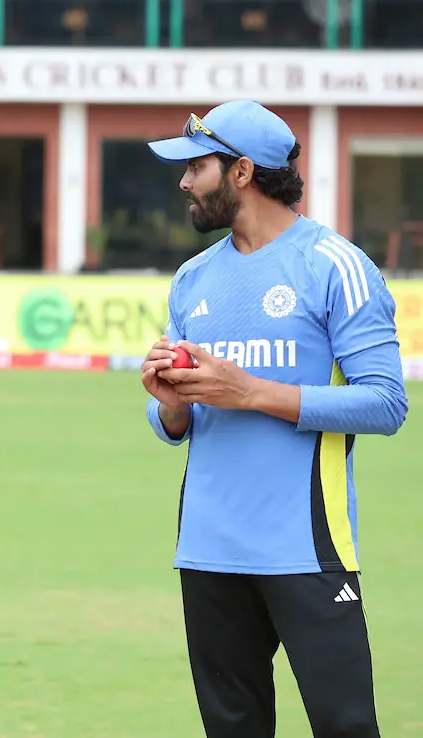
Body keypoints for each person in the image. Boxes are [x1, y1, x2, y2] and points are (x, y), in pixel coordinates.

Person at [141, 100, 408, 738]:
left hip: (307, 549)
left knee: (346, 727)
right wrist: (170, 405)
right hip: (207, 550)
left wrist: (253, 391)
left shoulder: (335, 265)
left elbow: (386, 402)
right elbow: (174, 422)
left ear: (242, 172)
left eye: (196, 167)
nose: (183, 183)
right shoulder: (192, 279)